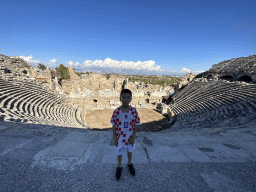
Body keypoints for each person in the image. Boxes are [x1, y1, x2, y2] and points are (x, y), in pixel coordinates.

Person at [110, 89, 141, 181]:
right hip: (120, 137)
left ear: (131, 99)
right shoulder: (116, 111)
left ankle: (129, 163)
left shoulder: (133, 111)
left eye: (128, 98)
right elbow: (114, 126)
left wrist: (133, 137)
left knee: (129, 151)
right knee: (119, 152)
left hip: (130, 136)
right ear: (120, 98)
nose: (125, 99)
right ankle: (119, 166)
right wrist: (115, 138)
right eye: (123, 97)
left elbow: (136, 125)